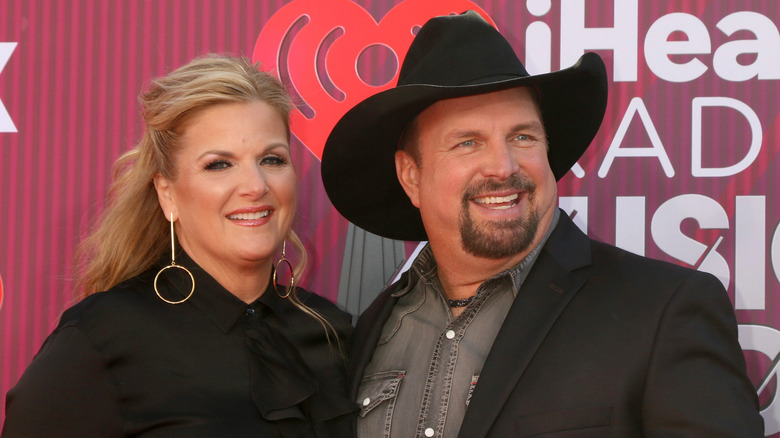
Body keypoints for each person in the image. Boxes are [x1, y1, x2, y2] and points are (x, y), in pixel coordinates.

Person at [320, 11, 763, 438]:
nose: (503, 165)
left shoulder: (664, 310)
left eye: (522, 136)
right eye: (468, 142)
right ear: (411, 176)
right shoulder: (370, 329)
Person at [2, 55, 355, 437]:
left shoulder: (330, 331)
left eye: (272, 159)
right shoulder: (100, 340)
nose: (256, 186)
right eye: (219, 164)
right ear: (167, 194)